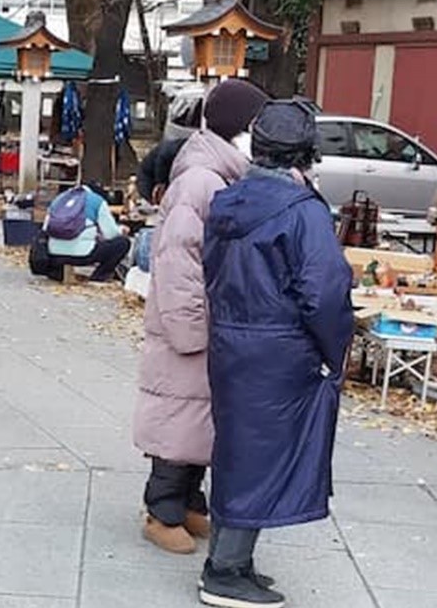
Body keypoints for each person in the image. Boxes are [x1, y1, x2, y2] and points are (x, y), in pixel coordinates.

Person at [200, 99, 354, 608]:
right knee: (263, 458)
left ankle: (231, 561)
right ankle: (223, 572)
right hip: (279, 348)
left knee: (237, 450)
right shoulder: (302, 211)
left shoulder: (228, 200)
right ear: (305, 154)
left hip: (230, 341)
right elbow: (325, 290)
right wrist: (336, 352)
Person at [132, 78, 269, 556]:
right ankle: (161, 509)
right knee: (178, 418)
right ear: (238, 129)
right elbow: (177, 261)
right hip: (187, 324)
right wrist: (191, 328)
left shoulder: (222, 173)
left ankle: (189, 501)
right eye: (255, 126)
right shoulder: (201, 180)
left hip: (206, 321)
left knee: (199, 420)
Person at [42, 182, 131, 282]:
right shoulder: (96, 200)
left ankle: (56, 273)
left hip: (53, 255)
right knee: (122, 243)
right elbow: (111, 234)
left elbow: (45, 228)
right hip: (82, 256)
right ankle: (99, 276)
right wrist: (121, 230)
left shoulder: (60, 198)